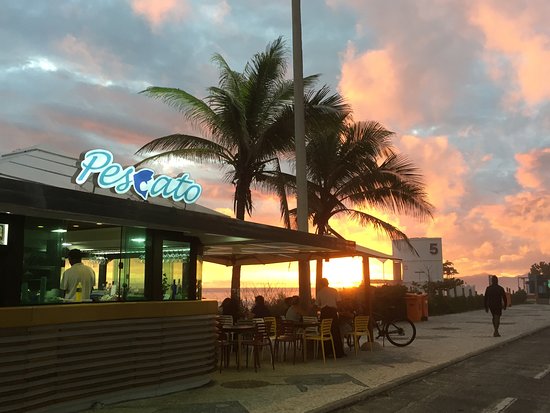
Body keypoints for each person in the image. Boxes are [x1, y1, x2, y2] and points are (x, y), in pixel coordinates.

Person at [316, 278, 345, 357]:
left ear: (321, 284)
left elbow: (317, 304)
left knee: (325, 332)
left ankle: (327, 352)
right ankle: (338, 352)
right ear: (327, 283)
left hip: (324, 313)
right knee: (335, 332)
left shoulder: (319, 292)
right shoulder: (334, 291)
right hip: (332, 312)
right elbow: (339, 302)